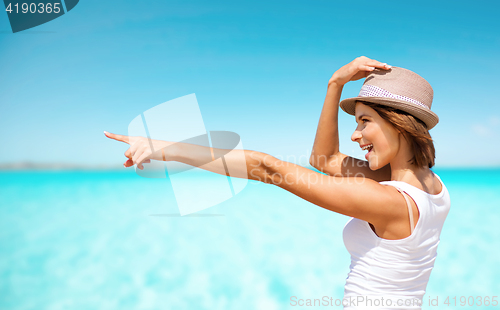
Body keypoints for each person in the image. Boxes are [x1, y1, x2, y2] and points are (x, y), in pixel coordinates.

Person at [105, 56, 450, 309]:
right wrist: (335, 85)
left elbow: (265, 167)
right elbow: (326, 160)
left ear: (399, 124)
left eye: (364, 121)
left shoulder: (387, 201)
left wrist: (166, 149)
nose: (356, 135)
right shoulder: (432, 187)